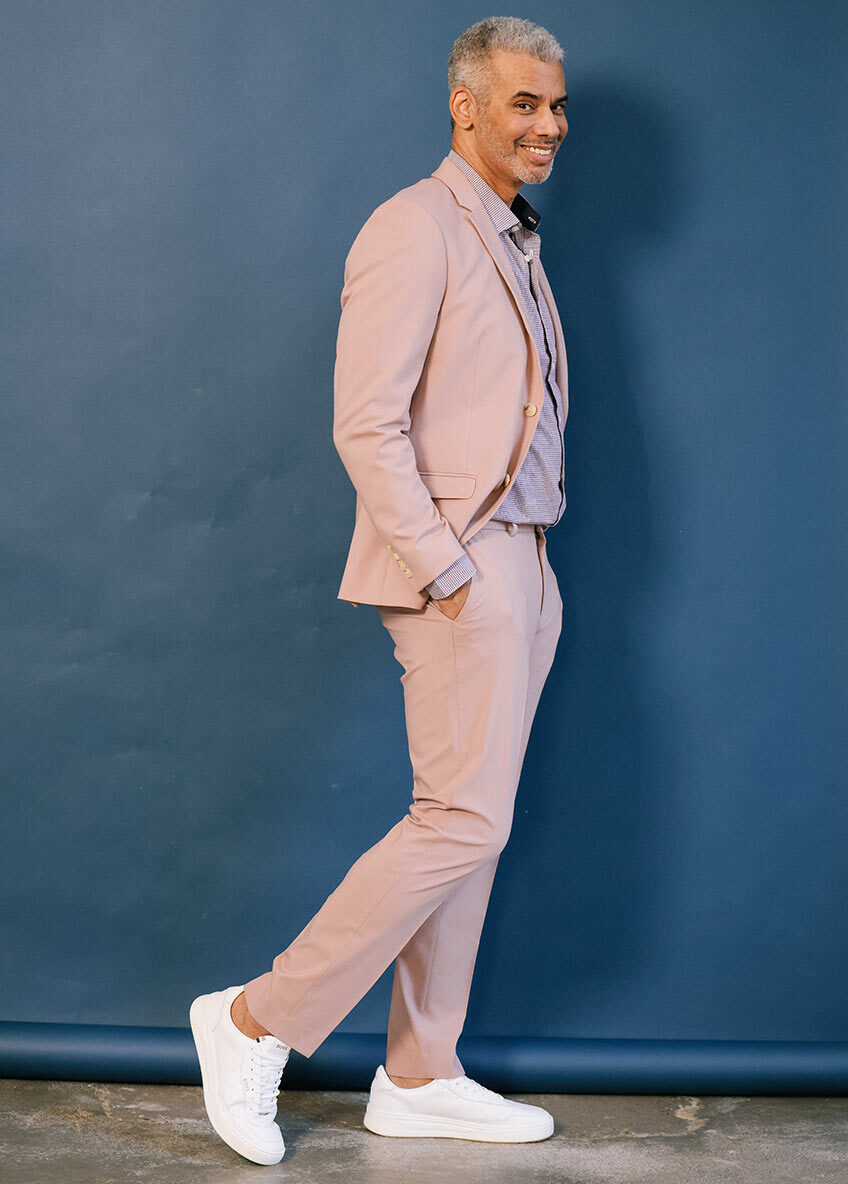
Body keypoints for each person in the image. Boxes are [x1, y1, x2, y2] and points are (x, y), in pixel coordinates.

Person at [189, 15, 569, 1165]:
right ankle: (254, 1016)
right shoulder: (414, 225)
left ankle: (418, 1070)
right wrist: (446, 567)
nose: (547, 124)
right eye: (523, 103)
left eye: (555, 105)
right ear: (465, 106)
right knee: (459, 818)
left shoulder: (510, 234)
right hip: (461, 562)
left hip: (525, 558)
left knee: (473, 830)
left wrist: (521, 570)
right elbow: (366, 421)